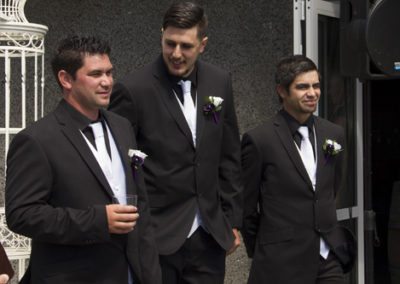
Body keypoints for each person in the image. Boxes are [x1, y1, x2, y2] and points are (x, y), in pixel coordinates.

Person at [5, 35, 161, 284]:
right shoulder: (36, 139)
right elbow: (21, 214)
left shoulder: (122, 127)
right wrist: (97, 221)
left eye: (109, 72)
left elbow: (140, 205)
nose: (107, 81)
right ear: (66, 79)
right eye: (96, 74)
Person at [108, 2, 242, 283]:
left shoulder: (219, 82)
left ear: (202, 44)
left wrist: (231, 220)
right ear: (161, 36)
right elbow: (122, 165)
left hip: (210, 236)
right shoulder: (134, 89)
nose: (176, 54)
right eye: (170, 43)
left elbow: (228, 155)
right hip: (158, 236)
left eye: (186, 46)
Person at [241, 55, 354, 283]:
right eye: (302, 87)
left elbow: (331, 187)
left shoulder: (334, 134)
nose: (312, 93)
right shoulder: (259, 140)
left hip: (328, 258)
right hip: (281, 262)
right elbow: (246, 206)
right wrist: (268, 245)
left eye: (316, 85)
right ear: (282, 91)